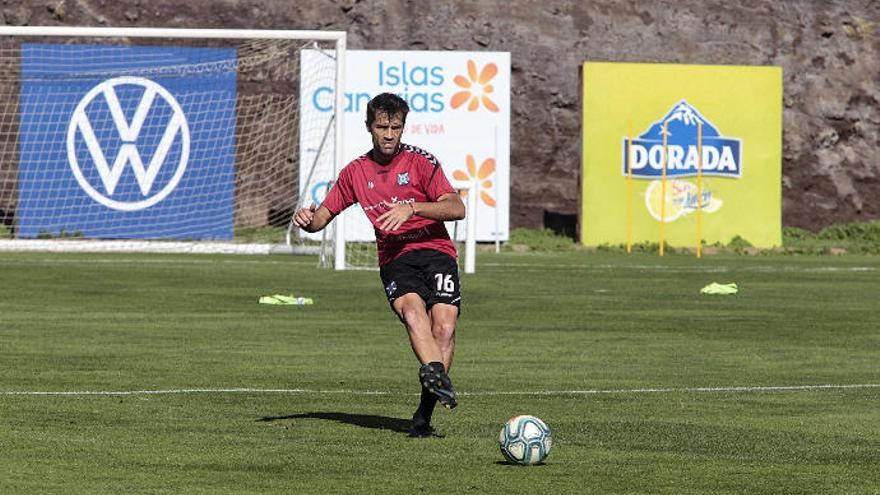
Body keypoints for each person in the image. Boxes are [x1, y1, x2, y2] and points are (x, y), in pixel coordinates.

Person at [293, 92, 466, 438]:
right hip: (395, 257)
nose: (389, 134)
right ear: (369, 128)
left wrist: (413, 207)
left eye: (396, 127)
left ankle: (424, 412)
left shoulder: (421, 162)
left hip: (435, 250)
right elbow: (321, 219)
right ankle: (433, 370)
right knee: (414, 314)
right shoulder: (355, 173)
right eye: (382, 127)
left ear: (403, 128)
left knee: (444, 327)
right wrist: (308, 219)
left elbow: (456, 208)